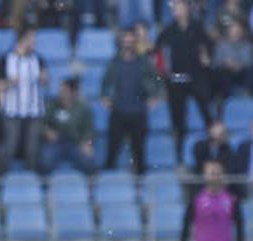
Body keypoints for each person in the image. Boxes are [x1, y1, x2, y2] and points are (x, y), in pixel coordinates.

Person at [156, 0, 213, 162]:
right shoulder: (169, 29)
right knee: (178, 119)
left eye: (181, 7)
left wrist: (206, 55)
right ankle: (178, 153)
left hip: (196, 76)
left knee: (206, 112)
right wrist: (163, 69)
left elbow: (208, 46)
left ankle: (213, 145)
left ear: (188, 9)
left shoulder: (197, 27)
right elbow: (157, 50)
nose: (178, 10)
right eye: (175, 8)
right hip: (177, 77)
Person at [103, 26, 163, 174]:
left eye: (131, 39)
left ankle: (141, 187)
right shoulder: (114, 62)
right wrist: (104, 96)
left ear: (135, 42)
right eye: (125, 40)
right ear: (121, 42)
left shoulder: (144, 62)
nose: (128, 43)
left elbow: (157, 79)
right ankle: (106, 185)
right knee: (112, 151)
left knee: (139, 153)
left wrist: (155, 96)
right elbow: (105, 82)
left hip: (138, 112)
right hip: (118, 112)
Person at [0, 26, 48, 174]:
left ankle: (31, 179)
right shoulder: (6, 59)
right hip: (12, 110)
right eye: (31, 38)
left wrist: (44, 79)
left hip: (34, 110)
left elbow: (45, 80)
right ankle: (0, 178)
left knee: (32, 148)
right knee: (10, 146)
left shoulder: (38, 59)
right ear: (22, 39)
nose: (34, 42)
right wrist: (9, 83)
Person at [38, 76, 96, 174]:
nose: (61, 93)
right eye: (60, 90)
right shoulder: (52, 105)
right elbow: (41, 123)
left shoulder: (83, 108)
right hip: (56, 142)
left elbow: (89, 131)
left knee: (89, 163)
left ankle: (89, 188)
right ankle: (46, 188)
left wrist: (88, 144)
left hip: (75, 143)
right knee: (44, 163)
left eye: (64, 91)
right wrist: (47, 131)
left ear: (73, 93)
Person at [211, 19, 253, 104]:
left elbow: (249, 61)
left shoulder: (247, 46)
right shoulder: (221, 46)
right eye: (233, 31)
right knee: (221, 72)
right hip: (226, 72)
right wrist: (225, 63)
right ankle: (223, 95)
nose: (236, 33)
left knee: (250, 71)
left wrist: (239, 65)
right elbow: (215, 63)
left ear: (242, 32)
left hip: (242, 73)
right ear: (229, 32)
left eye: (238, 31)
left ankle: (248, 93)